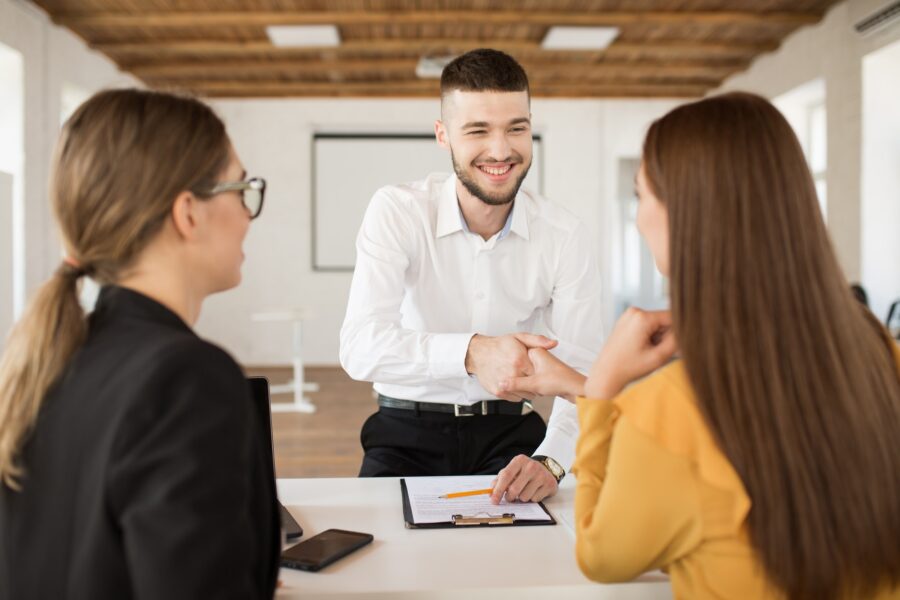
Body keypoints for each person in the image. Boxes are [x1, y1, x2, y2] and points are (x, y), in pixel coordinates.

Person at [501, 92, 900, 599]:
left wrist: (601, 389)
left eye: (640, 194)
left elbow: (601, 555)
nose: (639, 214)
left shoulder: (670, 407)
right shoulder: (881, 353)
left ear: (682, 216)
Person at [0, 89, 280, 599]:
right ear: (188, 212)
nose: (247, 213)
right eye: (241, 188)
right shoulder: (186, 379)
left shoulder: (49, 359)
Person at [339, 48, 604, 503]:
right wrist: (472, 352)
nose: (500, 150)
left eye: (516, 129)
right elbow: (360, 347)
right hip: (404, 435)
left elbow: (582, 370)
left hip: (513, 436)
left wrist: (554, 459)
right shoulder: (397, 211)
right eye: (478, 130)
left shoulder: (564, 234)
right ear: (443, 136)